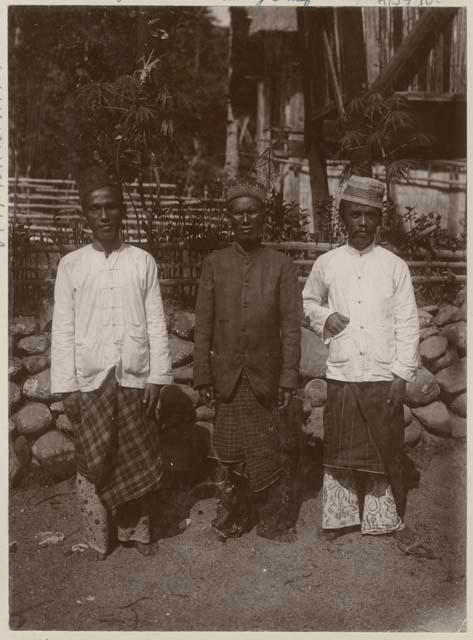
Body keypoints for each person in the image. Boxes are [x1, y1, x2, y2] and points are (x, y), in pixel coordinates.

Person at [51, 164, 173, 560]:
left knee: (132, 453)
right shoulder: (72, 265)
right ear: (85, 214)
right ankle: (96, 537)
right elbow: (63, 330)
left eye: (110, 207)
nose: (103, 216)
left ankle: (136, 532)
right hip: (91, 378)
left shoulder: (142, 262)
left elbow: (156, 322)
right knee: (93, 458)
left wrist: (157, 376)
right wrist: (67, 385)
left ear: (122, 212)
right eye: (95, 208)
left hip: (134, 375)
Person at [302, 175, 420, 541]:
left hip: (382, 372)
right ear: (344, 217)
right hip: (343, 370)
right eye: (356, 215)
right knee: (341, 445)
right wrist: (325, 317)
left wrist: (401, 374)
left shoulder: (394, 266)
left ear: (379, 219)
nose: (363, 224)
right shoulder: (328, 263)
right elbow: (307, 301)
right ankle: (340, 518)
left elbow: (408, 322)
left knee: (381, 445)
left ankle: (381, 519)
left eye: (370, 216)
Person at [194, 181, 302, 542]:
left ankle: (273, 519)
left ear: (263, 216)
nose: (245, 219)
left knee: (266, 449)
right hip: (227, 377)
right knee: (228, 450)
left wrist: (288, 378)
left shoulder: (281, 266)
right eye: (237, 213)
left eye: (252, 211)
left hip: (264, 376)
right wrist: (202, 375)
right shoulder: (214, 263)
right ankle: (233, 517)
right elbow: (203, 325)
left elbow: (290, 327)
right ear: (229, 218)